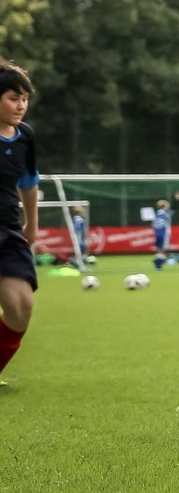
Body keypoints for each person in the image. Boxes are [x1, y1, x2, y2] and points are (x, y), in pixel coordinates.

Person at [0, 62, 39, 385]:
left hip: (8, 229)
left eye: (25, 98)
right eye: (14, 97)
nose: (21, 105)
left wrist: (32, 225)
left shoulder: (24, 136)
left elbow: (28, 181)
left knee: (21, 305)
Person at [151, 199, 172, 270]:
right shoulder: (165, 214)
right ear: (164, 206)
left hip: (157, 232)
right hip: (163, 232)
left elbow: (153, 225)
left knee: (158, 248)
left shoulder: (157, 214)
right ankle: (158, 264)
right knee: (163, 249)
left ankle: (158, 262)